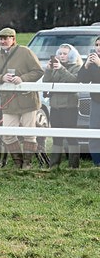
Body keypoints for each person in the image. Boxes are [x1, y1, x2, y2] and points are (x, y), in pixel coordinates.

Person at [0, 28, 45, 169]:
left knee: (29, 134)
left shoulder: (25, 52)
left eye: (6, 38)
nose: (3, 41)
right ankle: (18, 163)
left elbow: (38, 71)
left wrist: (22, 79)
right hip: (8, 102)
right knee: (8, 135)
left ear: (13, 39)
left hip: (27, 100)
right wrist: (1, 78)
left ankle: (27, 164)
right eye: (1, 39)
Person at [43, 44, 82, 168]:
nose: (62, 56)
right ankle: (54, 165)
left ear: (71, 55)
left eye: (65, 54)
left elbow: (73, 80)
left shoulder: (77, 67)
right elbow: (45, 82)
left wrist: (60, 68)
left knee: (71, 137)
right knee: (56, 137)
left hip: (70, 107)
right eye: (60, 53)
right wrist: (49, 69)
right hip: (55, 107)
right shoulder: (54, 67)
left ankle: (73, 165)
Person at [77, 35, 100, 166]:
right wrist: (86, 66)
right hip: (96, 101)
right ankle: (97, 163)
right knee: (94, 133)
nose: (98, 48)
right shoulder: (91, 60)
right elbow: (81, 79)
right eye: (96, 45)